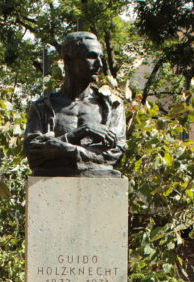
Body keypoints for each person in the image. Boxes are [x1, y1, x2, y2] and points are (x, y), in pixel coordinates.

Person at [24, 32, 126, 177]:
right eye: (91, 56)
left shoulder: (112, 106)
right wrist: (81, 132)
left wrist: (61, 148)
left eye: (101, 57)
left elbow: (114, 153)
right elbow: (34, 154)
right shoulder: (43, 107)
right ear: (68, 60)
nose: (100, 64)